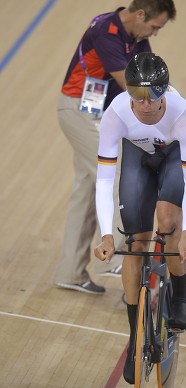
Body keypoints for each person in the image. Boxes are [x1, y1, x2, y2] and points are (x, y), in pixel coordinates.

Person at [54, 0, 177, 294]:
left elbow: (154, 83)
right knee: (118, 170)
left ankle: (69, 272)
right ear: (139, 14)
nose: (155, 34)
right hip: (79, 112)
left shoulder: (139, 37)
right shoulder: (106, 33)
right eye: (155, 26)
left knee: (86, 189)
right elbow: (135, 88)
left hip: (99, 114)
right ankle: (114, 257)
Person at [94, 52, 186, 384]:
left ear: (164, 90)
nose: (143, 104)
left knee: (167, 222)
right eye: (136, 95)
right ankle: (133, 339)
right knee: (135, 242)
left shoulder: (182, 115)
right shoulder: (115, 113)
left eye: (152, 96)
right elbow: (103, 179)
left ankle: (180, 296)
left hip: (172, 158)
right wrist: (105, 234)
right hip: (138, 158)